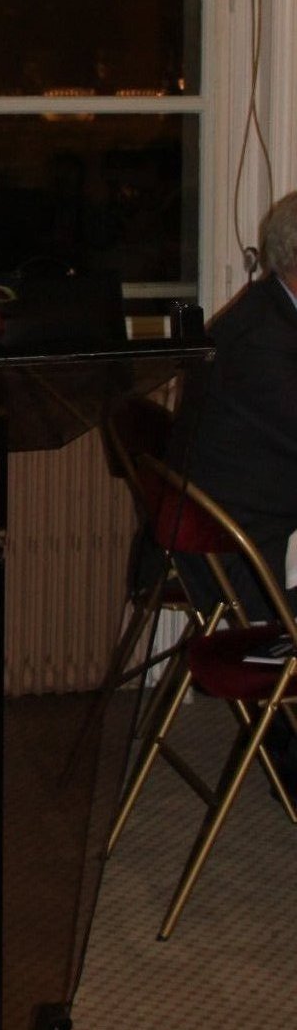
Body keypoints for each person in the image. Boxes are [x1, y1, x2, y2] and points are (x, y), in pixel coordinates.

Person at [169, 191, 297, 793]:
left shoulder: (268, 315)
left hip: (231, 536)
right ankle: (288, 754)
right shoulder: (264, 342)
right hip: (232, 560)